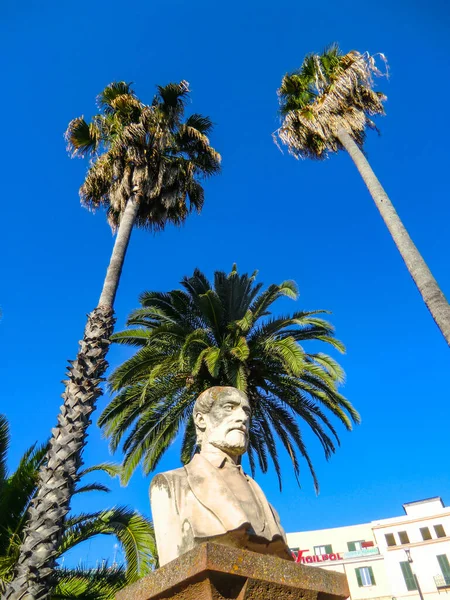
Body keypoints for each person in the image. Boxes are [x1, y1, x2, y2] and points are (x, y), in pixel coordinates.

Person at [150, 386, 293, 566]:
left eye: (246, 411)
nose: (243, 418)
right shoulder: (170, 485)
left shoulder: (267, 506)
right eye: (229, 407)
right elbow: (172, 573)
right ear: (201, 420)